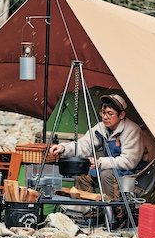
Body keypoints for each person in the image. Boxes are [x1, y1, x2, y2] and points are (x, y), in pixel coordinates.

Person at [49, 93, 147, 224]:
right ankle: (89, 213)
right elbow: (84, 145)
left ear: (121, 115)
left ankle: (114, 215)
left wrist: (100, 162)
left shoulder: (132, 130)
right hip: (111, 167)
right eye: (103, 113)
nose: (105, 117)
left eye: (110, 113)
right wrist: (64, 148)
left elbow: (129, 162)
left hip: (131, 173)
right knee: (83, 175)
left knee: (106, 175)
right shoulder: (101, 128)